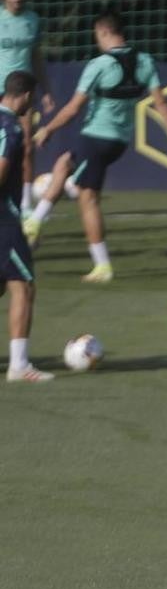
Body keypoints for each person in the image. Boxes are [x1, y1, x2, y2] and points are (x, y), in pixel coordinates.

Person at [26, 11, 167, 283]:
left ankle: (102, 266)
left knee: (88, 199)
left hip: (97, 138)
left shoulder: (99, 65)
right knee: (64, 163)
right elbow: (161, 103)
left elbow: (74, 108)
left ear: (102, 32)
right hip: (119, 141)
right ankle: (35, 221)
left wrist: (47, 129)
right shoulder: (144, 61)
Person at [0, 71, 52, 382]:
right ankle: (19, 365)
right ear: (28, 96)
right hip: (3, 220)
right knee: (24, 284)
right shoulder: (11, 128)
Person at [0, 0, 56, 214]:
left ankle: (24, 203)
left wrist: (45, 91)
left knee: (26, 146)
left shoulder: (32, 20)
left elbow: (36, 56)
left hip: (23, 92)